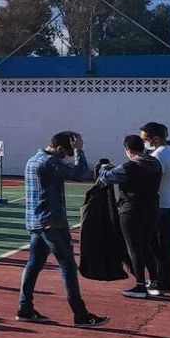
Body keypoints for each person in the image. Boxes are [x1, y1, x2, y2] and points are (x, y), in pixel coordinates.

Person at [18, 131, 105, 326]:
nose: (66, 157)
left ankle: (25, 307)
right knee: (67, 266)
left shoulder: (33, 159)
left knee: (34, 264)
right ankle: (80, 315)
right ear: (59, 149)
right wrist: (79, 152)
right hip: (52, 222)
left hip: (36, 221)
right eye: (66, 153)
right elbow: (81, 174)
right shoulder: (49, 162)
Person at [98, 135, 162, 300]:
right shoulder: (155, 163)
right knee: (146, 244)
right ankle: (155, 280)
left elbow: (106, 177)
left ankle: (140, 285)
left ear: (128, 150)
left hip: (132, 209)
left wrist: (103, 167)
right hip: (152, 208)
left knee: (133, 248)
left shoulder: (129, 166)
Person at [141, 122, 170, 296]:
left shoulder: (158, 156)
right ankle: (166, 281)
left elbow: (150, 181)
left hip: (159, 206)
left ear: (155, 139)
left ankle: (159, 281)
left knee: (154, 246)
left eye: (145, 140)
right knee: (166, 246)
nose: (144, 143)